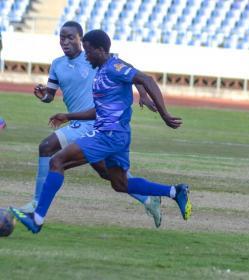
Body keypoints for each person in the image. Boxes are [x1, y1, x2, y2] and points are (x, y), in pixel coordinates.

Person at [10, 29, 192, 234]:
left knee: (57, 161)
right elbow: (100, 110)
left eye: (88, 52)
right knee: (120, 184)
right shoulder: (103, 72)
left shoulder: (114, 67)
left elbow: (146, 80)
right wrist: (69, 116)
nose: (86, 56)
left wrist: (164, 114)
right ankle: (175, 191)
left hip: (108, 134)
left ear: (100, 50)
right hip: (117, 135)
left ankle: (37, 218)